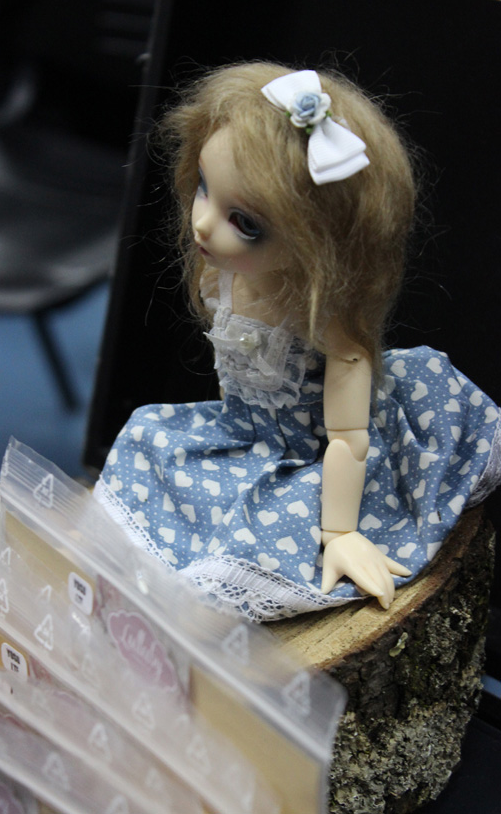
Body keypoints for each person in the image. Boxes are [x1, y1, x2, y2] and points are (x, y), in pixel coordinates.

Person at [94, 62, 501, 621]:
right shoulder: (224, 278)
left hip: (315, 460)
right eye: (205, 188)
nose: (204, 224)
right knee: (146, 435)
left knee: (253, 540)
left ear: (321, 242)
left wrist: (339, 533)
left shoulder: (324, 321)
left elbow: (348, 439)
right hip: (243, 435)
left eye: (246, 222)